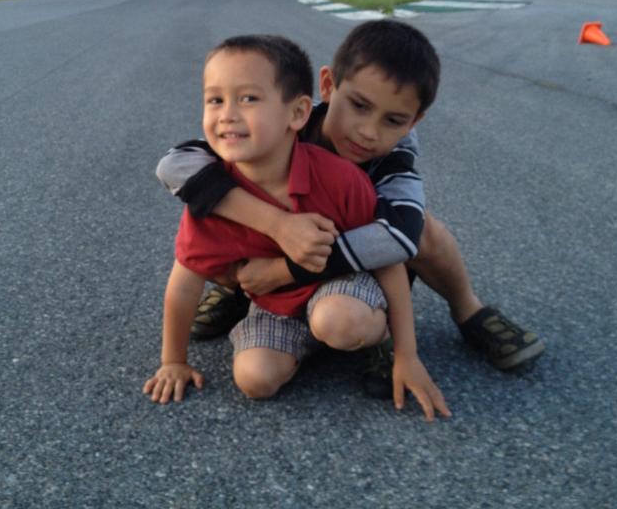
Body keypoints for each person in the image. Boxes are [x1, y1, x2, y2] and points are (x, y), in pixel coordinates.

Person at [156, 20, 544, 384]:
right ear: (327, 86)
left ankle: (468, 311)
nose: (368, 132)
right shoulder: (286, 125)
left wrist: (286, 271)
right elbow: (175, 166)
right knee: (216, 212)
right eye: (358, 105)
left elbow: (400, 238)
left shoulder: (394, 156)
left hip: (349, 268)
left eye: (393, 120)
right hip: (266, 256)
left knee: (422, 228)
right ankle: (238, 294)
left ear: (414, 122)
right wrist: (276, 226)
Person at [143, 34, 449, 419]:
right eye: (215, 100)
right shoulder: (211, 191)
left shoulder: (340, 178)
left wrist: (408, 354)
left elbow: (389, 257)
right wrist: (173, 360)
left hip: (341, 289)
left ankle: (379, 338)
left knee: (340, 319)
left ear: (298, 113)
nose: (228, 115)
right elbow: (184, 282)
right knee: (255, 380)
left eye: (249, 99)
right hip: (276, 303)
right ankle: (305, 341)